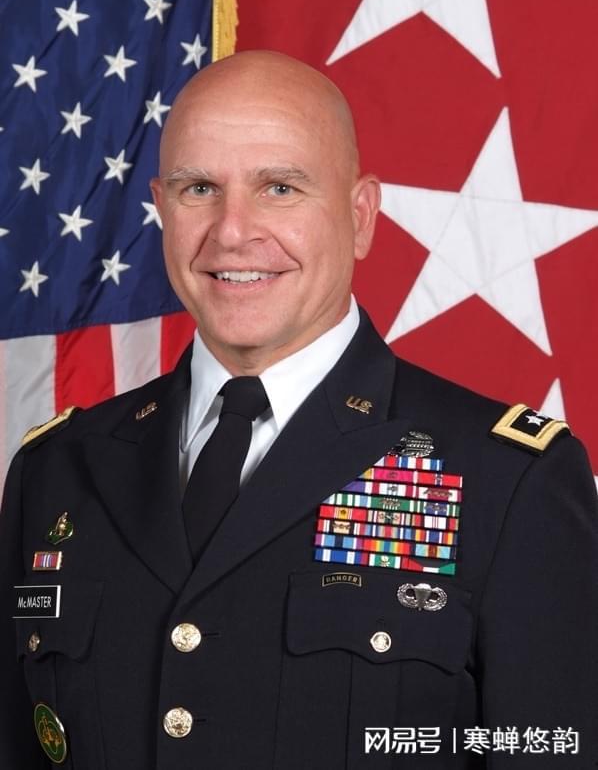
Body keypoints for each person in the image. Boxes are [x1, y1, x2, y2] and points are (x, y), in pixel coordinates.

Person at [1, 50, 597, 770]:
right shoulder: (56, 472)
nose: (231, 231)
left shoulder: (511, 482)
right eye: (198, 188)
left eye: (280, 188)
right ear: (160, 206)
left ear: (360, 216)